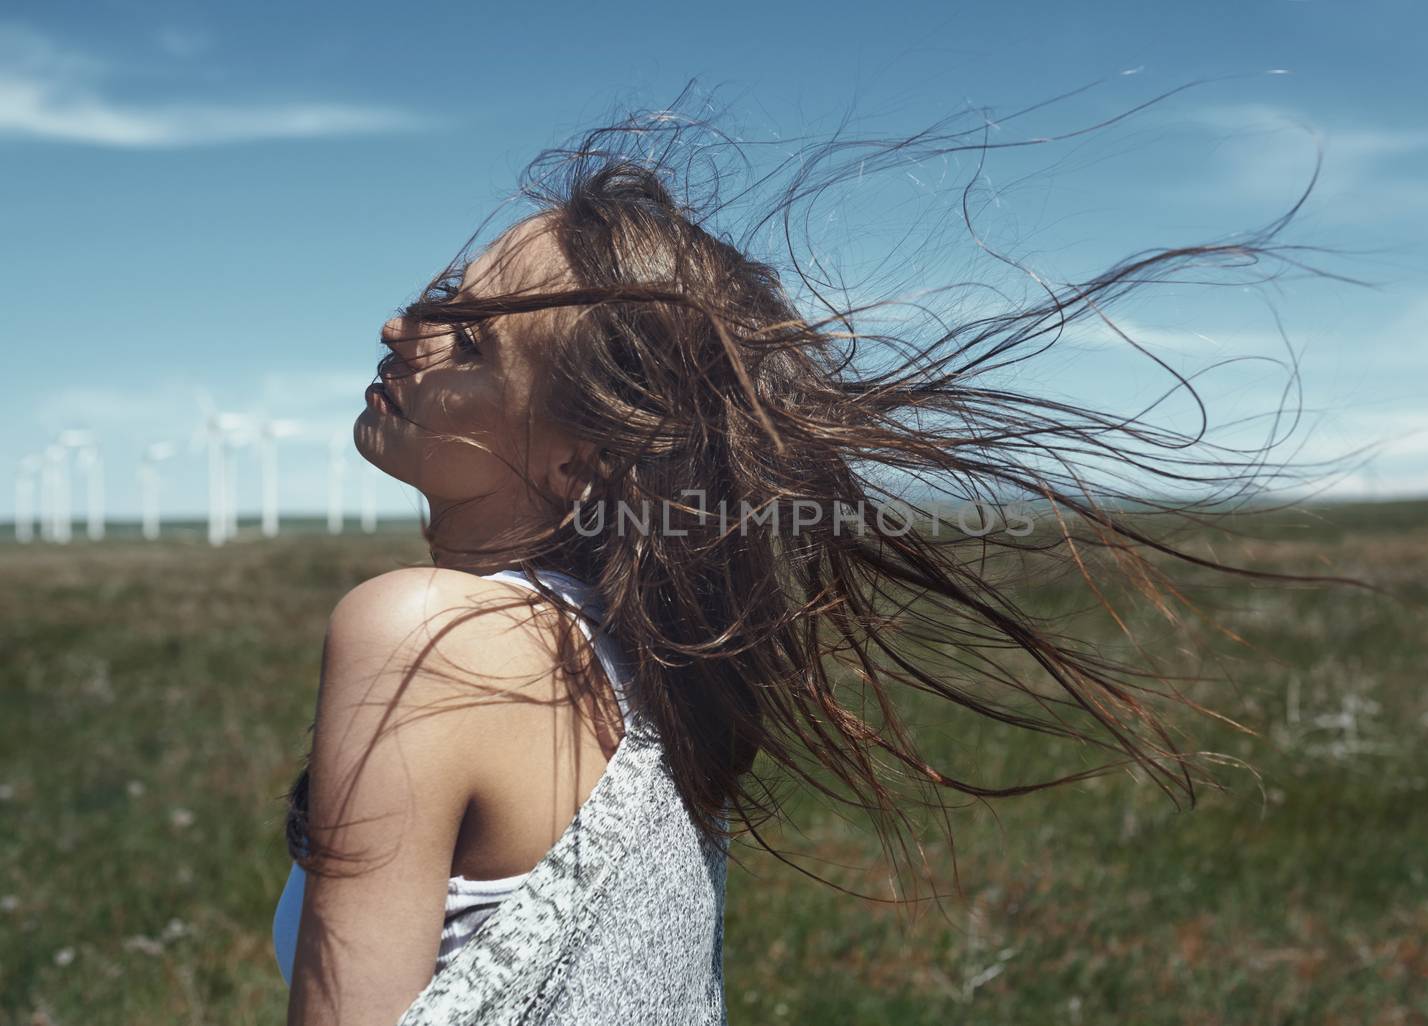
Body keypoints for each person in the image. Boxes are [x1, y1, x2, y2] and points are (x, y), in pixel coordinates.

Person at [275, 82, 1366, 1025]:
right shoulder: (656, 663)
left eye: (467, 339)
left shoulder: (430, 635)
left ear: (583, 462)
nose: (394, 330)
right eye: (440, 299)